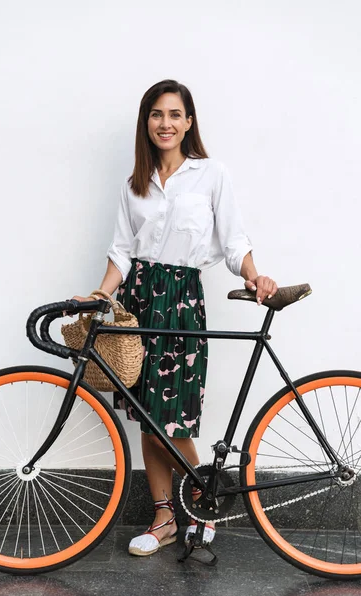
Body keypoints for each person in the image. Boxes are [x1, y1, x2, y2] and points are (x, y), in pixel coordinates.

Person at [72, 79, 278, 557]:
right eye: (156, 115)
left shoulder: (211, 174)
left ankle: (205, 501)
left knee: (173, 421)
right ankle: (165, 516)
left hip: (181, 301)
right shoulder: (134, 185)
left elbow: (233, 241)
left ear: (188, 122)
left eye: (174, 115)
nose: (165, 123)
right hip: (139, 300)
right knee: (147, 418)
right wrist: (99, 295)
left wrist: (253, 275)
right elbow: (121, 252)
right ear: (146, 123)